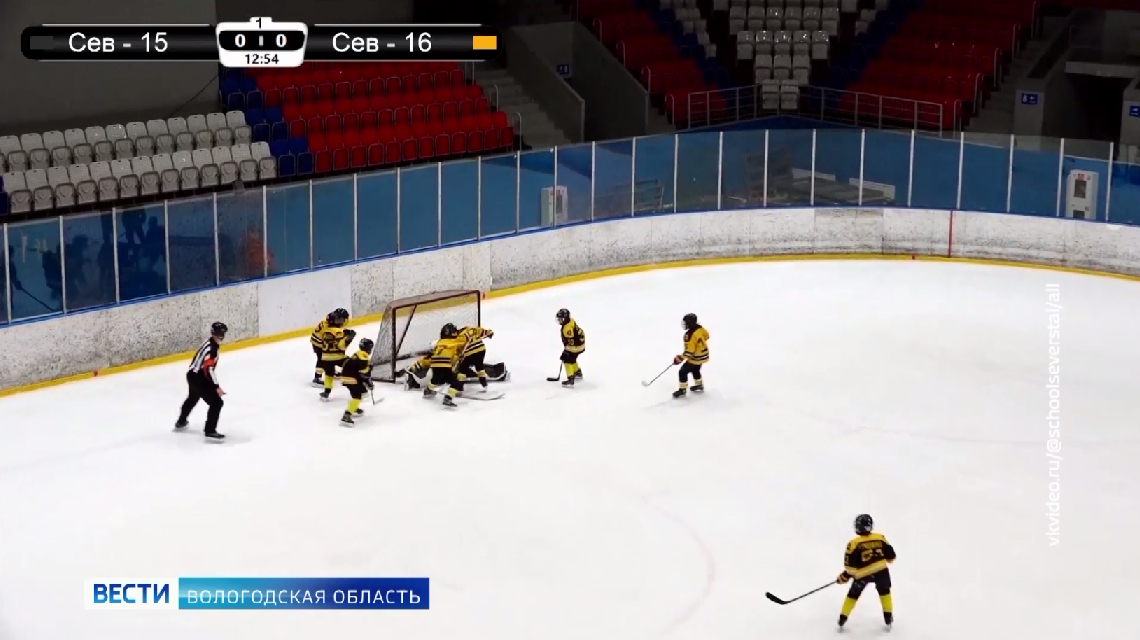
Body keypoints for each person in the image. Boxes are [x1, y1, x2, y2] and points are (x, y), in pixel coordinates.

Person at [836, 514, 896, 631]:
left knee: (853, 595)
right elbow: (891, 557)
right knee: (885, 592)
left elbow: (850, 567)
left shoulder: (853, 543)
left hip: (862, 575)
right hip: (882, 572)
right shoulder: (880, 538)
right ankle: (888, 618)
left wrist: (844, 576)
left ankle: (842, 619)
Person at [176, 321, 229, 440]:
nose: (221, 336)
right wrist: (216, 386)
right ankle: (210, 430)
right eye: (219, 333)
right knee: (217, 403)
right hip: (198, 377)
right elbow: (208, 370)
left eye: (222, 333)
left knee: (193, 398)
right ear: (214, 333)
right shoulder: (212, 349)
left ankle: (181, 421)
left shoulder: (209, 342)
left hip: (192, 374)